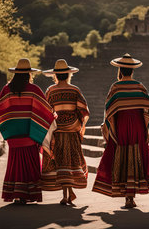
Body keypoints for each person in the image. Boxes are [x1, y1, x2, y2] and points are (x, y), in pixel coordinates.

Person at [92, 53, 149, 208]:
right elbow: (148, 111)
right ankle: (131, 195)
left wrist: (110, 131)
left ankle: (127, 196)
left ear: (120, 70)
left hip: (121, 126)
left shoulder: (115, 87)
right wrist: (147, 133)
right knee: (135, 158)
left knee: (123, 157)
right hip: (137, 126)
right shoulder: (140, 87)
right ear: (132, 71)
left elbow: (109, 113)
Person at [0, 58, 56, 204]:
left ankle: (16, 193)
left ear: (15, 73)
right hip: (30, 135)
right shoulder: (34, 90)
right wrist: (52, 116)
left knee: (16, 164)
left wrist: (8, 126)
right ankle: (28, 195)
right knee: (30, 164)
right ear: (29, 74)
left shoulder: (7, 89)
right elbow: (46, 110)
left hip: (14, 136)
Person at [41, 59, 89, 205]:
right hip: (72, 132)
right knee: (72, 161)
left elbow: (47, 112)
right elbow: (83, 111)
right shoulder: (75, 90)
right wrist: (79, 125)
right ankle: (70, 192)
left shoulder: (50, 91)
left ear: (55, 75)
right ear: (68, 75)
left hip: (58, 132)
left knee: (61, 162)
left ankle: (65, 194)